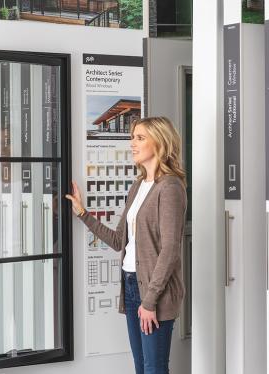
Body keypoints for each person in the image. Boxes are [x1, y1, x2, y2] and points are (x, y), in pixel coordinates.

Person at [65, 117, 187, 374]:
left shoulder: (170, 187)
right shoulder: (138, 186)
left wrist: (150, 300)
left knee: (154, 368)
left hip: (155, 292)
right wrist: (82, 213)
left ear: (160, 142)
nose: (132, 143)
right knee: (141, 367)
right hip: (131, 285)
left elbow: (170, 250)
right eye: (132, 137)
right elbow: (119, 240)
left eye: (140, 138)